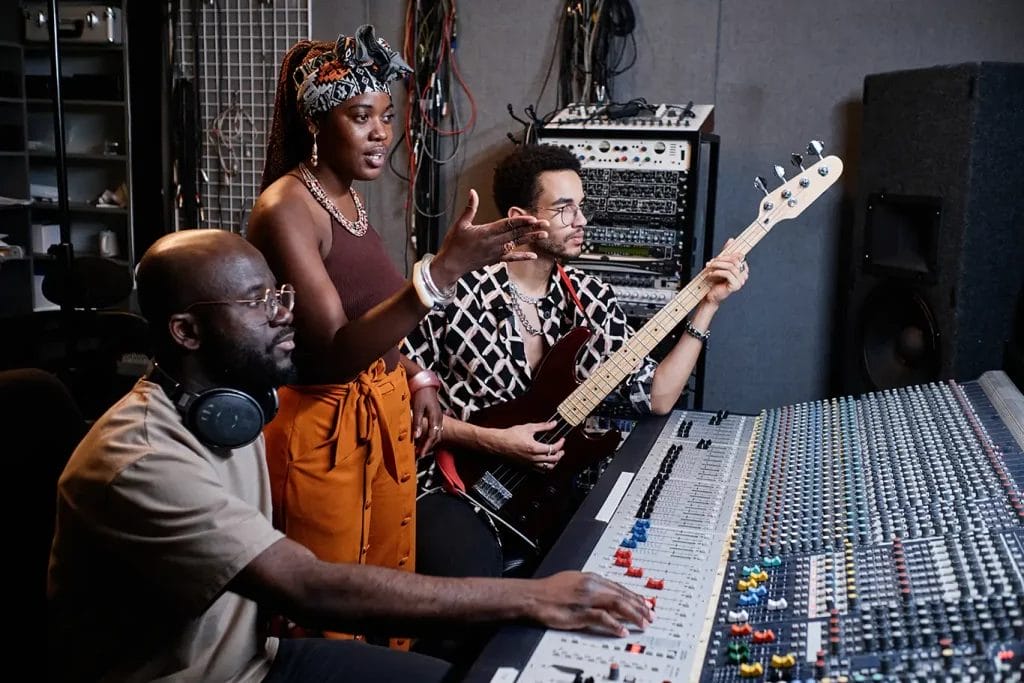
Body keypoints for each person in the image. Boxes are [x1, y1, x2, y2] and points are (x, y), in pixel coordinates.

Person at [46, 229, 652, 683]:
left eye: (280, 295)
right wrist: (534, 596)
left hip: (259, 659)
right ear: (186, 332)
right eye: (258, 303)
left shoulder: (236, 406)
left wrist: (417, 377)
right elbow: (306, 586)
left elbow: (362, 350)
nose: (286, 314)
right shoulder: (140, 458)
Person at [245, 26, 547, 644]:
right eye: (361, 117)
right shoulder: (286, 208)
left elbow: (371, 319)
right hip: (323, 436)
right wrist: (441, 274)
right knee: (332, 619)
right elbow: (334, 352)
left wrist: (418, 376)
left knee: (385, 597)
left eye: (387, 116)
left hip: (379, 422)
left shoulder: (348, 201)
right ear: (316, 122)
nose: (382, 132)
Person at [404, 143, 750, 577]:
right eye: (564, 209)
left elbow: (657, 394)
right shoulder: (455, 290)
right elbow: (397, 405)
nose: (581, 220)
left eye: (581, 206)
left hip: (549, 495)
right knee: (467, 576)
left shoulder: (591, 298)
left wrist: (707, 306)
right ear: (520, 218)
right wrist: (492, 441)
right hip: (456, 487)